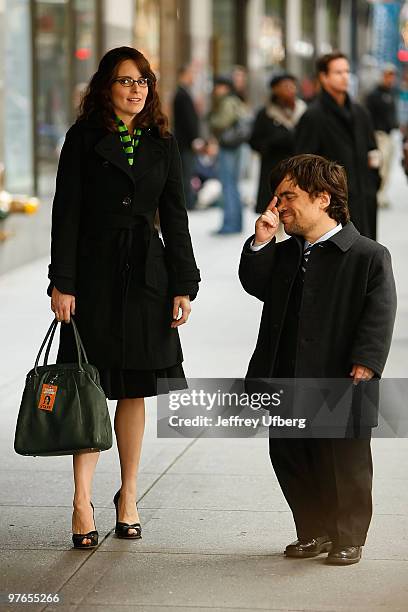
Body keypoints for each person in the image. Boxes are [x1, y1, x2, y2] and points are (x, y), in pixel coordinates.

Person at [48, 46, 200, 549]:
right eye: (125, 80)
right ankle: (81, 500)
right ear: (106, 87)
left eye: (143, 81)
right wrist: (61, 282)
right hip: (92, 273)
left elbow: (175, 216)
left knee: (135, 387)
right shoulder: (82, 138)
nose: (136, 89)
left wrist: (184, 282)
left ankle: (128, 494)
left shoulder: (163, 141)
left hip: (146, 274)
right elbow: (65, 214)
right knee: (88, 385)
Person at [239, 154, 396, 565]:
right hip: (287, 373)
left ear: (323, 199)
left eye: (288, 197)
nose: (280, 206)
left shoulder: (367, 254)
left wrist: (366, 360)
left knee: (343, 461)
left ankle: (348, 536)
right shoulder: (287, 252)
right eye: (277, 198)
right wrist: (261, 241)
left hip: (341, 375)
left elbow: (379, 312)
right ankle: (313, 531)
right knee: (291, 456)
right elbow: (255, 284)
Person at [295, 52, 380, 240]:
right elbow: (303, 166)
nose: (345, 77)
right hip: (332, 207)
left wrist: (373, 184)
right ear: (324, 77)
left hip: (364, 199)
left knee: (367, 257)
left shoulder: (360, 113)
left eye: (347, 71)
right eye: (338, 72)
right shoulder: (313, 117)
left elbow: (372, 151)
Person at [249, 73, 306, 214]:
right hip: (274, 171)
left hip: (300, 172)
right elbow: (254, 142)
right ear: (275, 89)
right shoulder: (265, 114)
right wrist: (273, 142)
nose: (289, 89)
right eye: (284, 86)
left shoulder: (305, 112)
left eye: (292, 86)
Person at [208, 75, 250, 234]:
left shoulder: (227, 101)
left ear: (224, 87)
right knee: (233, 185)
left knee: (228, 185)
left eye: (217, 87)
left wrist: (211, 119)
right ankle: (236, 223)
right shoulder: (237, 100)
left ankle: (230, 225)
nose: (215, 90)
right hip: (237, 146)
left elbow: (221, 122)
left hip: (229, 146)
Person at [366, 64, 399, 208]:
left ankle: (383, 194)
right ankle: (377, 195)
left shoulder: (392, 94)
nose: (390, 78)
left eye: (392, 76)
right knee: (381, 167)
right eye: (387, 75)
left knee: (389, 167)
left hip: (390, 135)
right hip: (379, 135)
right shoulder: (374, 95)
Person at [172, 64, 201, 210]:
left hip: (185, 142)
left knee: (188, 173)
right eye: (191, 74)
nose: (193, 78)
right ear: (183, 75)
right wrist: (194, 139)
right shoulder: (182, 94)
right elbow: (187, 121)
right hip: (185, 143)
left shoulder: (184, 93)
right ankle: (187, 203)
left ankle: (189, 201)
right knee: (186, 174)